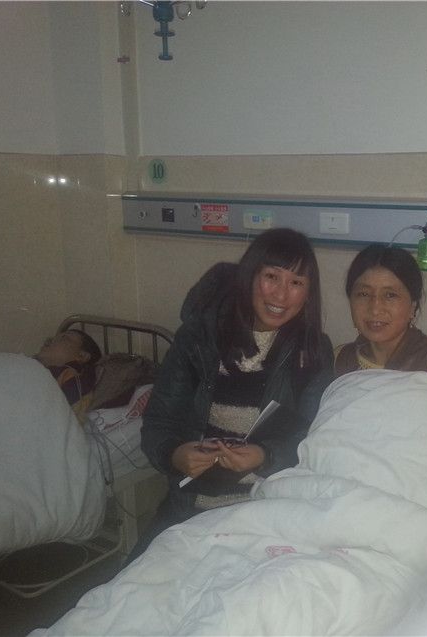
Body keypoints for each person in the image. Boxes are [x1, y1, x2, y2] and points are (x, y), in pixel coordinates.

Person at [131, 228, 334, 562]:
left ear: (308, 293)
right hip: (190, 509)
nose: (281, 294)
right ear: (250, 276)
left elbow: (313, 439)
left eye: (296, 282)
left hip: (266, 512)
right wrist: (175, 454)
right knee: (136, 584)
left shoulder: (312, 353)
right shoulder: (198, 338)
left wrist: (264, 455)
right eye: (271, 276)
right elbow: (159, 422)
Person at [334, 244, 427, 390]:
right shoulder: (340, 359)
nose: (375, 309)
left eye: (390, 295)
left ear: (412, 306)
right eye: (364, 294)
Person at [34, 328, 101, 418]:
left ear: (82, 356)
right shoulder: (31, 367)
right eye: (51, 339)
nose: (48, 341)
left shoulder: (73, 379)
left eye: (64, 338)